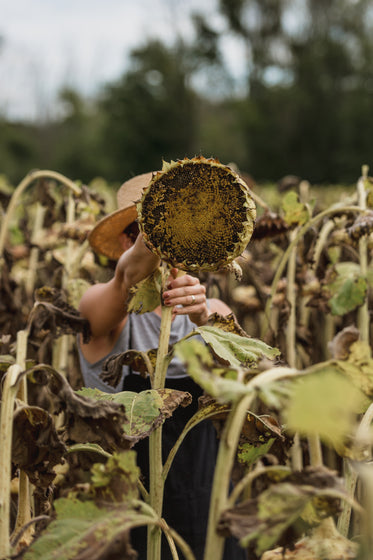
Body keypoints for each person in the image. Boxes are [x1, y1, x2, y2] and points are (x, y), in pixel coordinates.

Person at [77, 172, 246, 560]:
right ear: (126, 241)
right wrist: (158, 233)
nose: (174, 245)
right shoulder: (103, 309)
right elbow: (126, 279)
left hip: (206, 514)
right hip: (122, 518)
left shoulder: (214, 315)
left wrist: (205, 319)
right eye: (148, 229)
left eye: (188, 228)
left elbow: (233, 384)